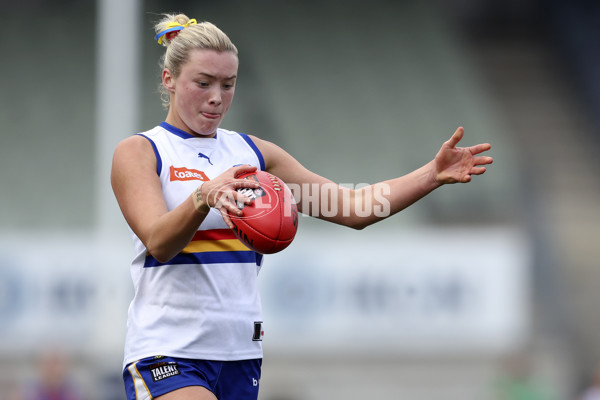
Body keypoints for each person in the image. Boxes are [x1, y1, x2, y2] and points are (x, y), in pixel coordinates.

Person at [111, 13, 493, 400]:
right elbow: (159, 242)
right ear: (169, 80)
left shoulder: (254, 154)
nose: (217, 97)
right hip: (167, 352)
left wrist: (431, 173)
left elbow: (354, 208)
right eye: (203, 83)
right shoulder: (142, 152)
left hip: (239, 355)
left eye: (228, 85)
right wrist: (201, 197)